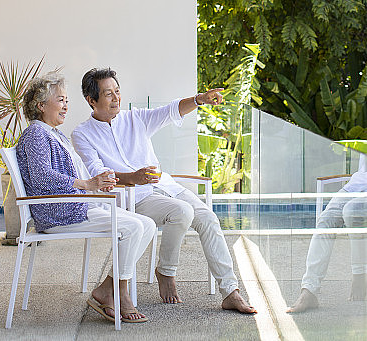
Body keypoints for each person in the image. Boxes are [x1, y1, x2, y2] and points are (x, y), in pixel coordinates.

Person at [71, 67, 256, 314]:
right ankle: (166, 272)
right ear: (91, 100)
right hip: (133, 197)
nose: (116, 98)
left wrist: (199, 99)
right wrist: (132, 178)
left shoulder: (134, 118)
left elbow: (170, 111)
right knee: (181, 212)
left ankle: (231, 292)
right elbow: (98, 175)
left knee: (209, 218)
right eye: (108, 94)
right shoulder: (82, 134)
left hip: (164, 186)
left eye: (117, 91)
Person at [16, 71, 157, 324]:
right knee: (136, 226)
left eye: (67, 100)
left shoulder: (52, 133)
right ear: (40, 105)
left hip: (75, 206)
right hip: (60, 213)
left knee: (146, 224)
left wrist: (98, 183)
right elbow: (41, 177)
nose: (66, 106)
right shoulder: (36, 134)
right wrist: (87, 184)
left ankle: (107, 289)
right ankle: (120, 293)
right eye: (60, 100)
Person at [286, 153, 367, 313]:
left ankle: (365, 274)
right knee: (325, 220)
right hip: (358, 184)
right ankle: (309, 290)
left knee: (354, 211)